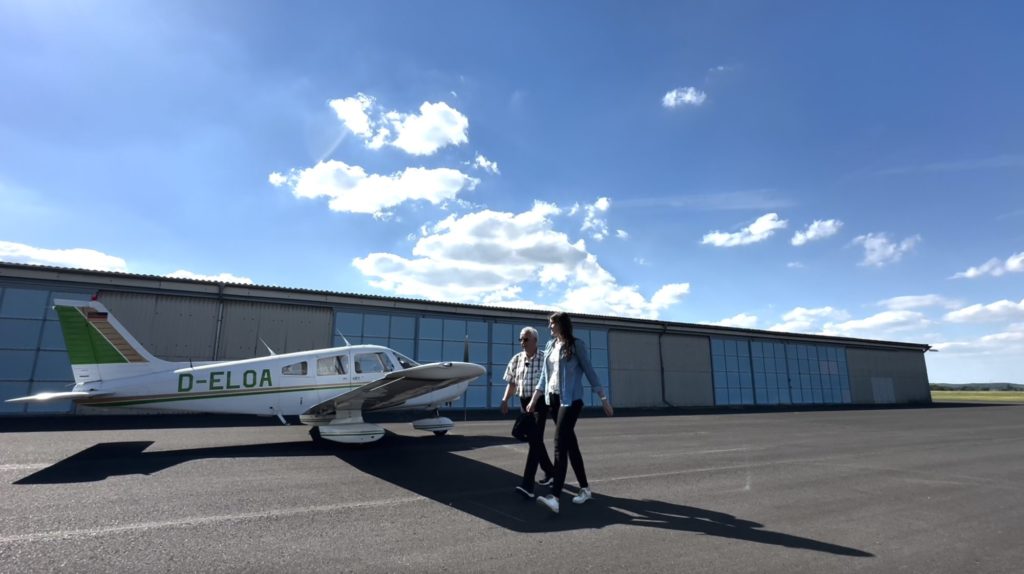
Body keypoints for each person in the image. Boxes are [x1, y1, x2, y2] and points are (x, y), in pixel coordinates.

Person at [527, 312, 614, 514]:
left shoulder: (576, 345)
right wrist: (535, 398)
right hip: (554, 400)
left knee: (559, 443)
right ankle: (585, 489)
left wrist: (603, 399)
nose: (549, 327)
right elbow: (543, 376)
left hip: (571, 401)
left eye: (552, 323)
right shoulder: (550, 345)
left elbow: (590, 372)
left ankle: (555, 497)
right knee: (570, 445)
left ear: (561, 324)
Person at [500, 326, 555, 499]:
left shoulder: (545, 359)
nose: (522, 343)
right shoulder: (516, 359)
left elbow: (552, 382)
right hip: (524, 403)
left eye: (525, 339)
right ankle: (551, 471)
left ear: (535, 341)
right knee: (528, 437)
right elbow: (512, 383)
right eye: (521, 339)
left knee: (535, 440)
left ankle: (527, 486)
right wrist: (505, 399)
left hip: (540, 404)